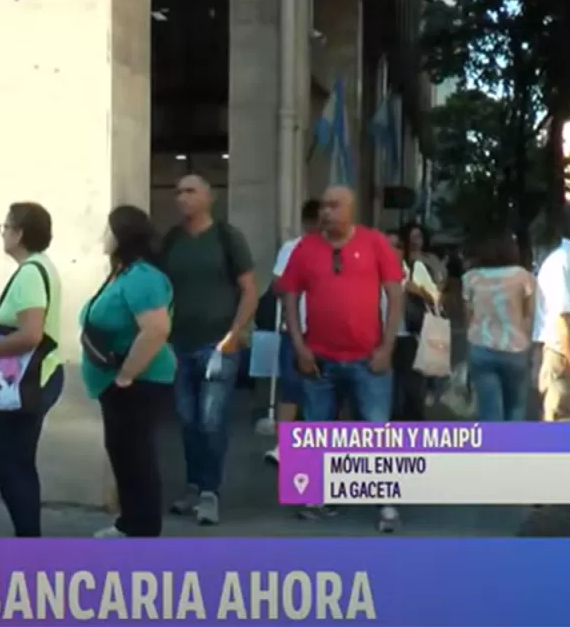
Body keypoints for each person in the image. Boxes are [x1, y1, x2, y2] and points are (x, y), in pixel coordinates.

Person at [274, 185, 404, 533]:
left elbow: (395, 295)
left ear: (351, 208)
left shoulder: (375, 243)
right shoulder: (306, 248)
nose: (326, 212)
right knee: (317, 428)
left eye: (334, 205)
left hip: (368, 358)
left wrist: (387, 347)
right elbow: (289, 296)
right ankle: (318, 497)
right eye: (323, 206)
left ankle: (386, 501)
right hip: (320, 359)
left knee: (376, 431)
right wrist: (299, 347)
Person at [160, 174, 257, 525]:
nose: (182, 197)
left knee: (211, 421)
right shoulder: (171, 240)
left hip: (217, 346)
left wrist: (234, 334)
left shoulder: (227, 238)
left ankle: (209, 492)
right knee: (187, 421)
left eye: (190, 191)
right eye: (178, 191)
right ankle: (193, 486)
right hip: (179, 346)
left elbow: (249, 289)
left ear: (209, 197)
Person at [0, 202, 63, 537]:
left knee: (3, 459)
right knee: (17, 460)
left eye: (6, 227)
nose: (3, 233)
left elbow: (31, 334)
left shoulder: (30, 275)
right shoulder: (40, 268)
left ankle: (28, 541)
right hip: (39, 376)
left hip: (30, 378)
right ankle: (28, 536)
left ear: (20, 233)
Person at [82, 205, 175, 538]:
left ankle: (144, 530)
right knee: (123, 455)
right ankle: (130, 523)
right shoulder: (123, 273)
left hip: (137, 383)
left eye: (107, 230)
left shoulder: (143, 278)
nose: (102, 237)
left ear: (122, 235)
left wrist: (125, 376)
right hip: (117, 383)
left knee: (137, 458)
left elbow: (155, 330)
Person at [264, 199, 320, 466]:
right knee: (291, 385)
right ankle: (284, 446)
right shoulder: (292, 248)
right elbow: (278, 284)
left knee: (324, 386)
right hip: (296, 327)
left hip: (329, 329)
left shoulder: (339, 249)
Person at [463, 235, 535, 422]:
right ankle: (512, 448)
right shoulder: (523, 277)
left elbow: (468, 317)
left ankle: (493, 448)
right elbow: (529, 315)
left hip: (481, 347)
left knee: (489, 412)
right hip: (515, 348)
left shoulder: (471, 277)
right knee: (516, 408)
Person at [532, 203, 570, 422]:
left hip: (568, 358)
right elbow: (562, 320)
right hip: (564, 359)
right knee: (561, 430)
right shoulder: (562, 262)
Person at [386, 230, 425, 422]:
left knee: (411, 390)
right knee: (389, 392)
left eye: (396, 246)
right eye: (387, 245)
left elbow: (436, 300)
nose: (391, 250)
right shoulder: (371, 272)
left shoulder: (415, 271)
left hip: (408, 336)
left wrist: (418, 291)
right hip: (381, 337)